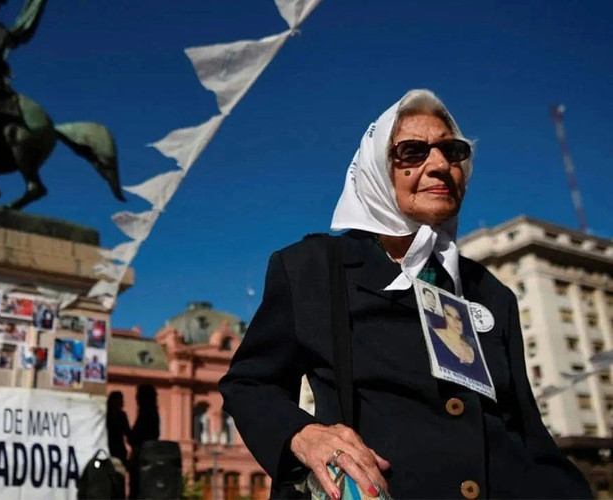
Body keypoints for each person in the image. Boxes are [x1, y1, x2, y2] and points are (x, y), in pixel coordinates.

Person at [219, 89, 592, 499]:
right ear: (378, 169)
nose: (440, 165)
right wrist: (305, 435)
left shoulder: (491, 292)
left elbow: (528, 436)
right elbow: (250, 384)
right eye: (413, 152)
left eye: (452, 151)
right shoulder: (313, 269)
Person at [128, 384, 160, 499]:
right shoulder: (154, 413)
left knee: (137, 491)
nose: (136, 398)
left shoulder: (145, 413)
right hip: (150, 458)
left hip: (141, 458)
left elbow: (136, 437)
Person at [106, 391, 132, 466]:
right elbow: (128, 433)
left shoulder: (120, 416)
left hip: (116, 450)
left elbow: (127, 433)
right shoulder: (119, 416)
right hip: (113, 449)